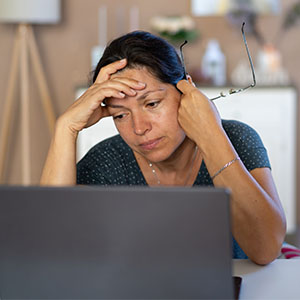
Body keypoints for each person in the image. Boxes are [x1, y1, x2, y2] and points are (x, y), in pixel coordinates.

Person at [40, 31, 286, 265]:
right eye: (120, 115)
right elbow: (49, 245)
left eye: (152, 103)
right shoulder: (107, 160)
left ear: (186, 90)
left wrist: (211, 134)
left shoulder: (235, 138)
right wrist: (66, 128)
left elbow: (266, 249)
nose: (139, 128)